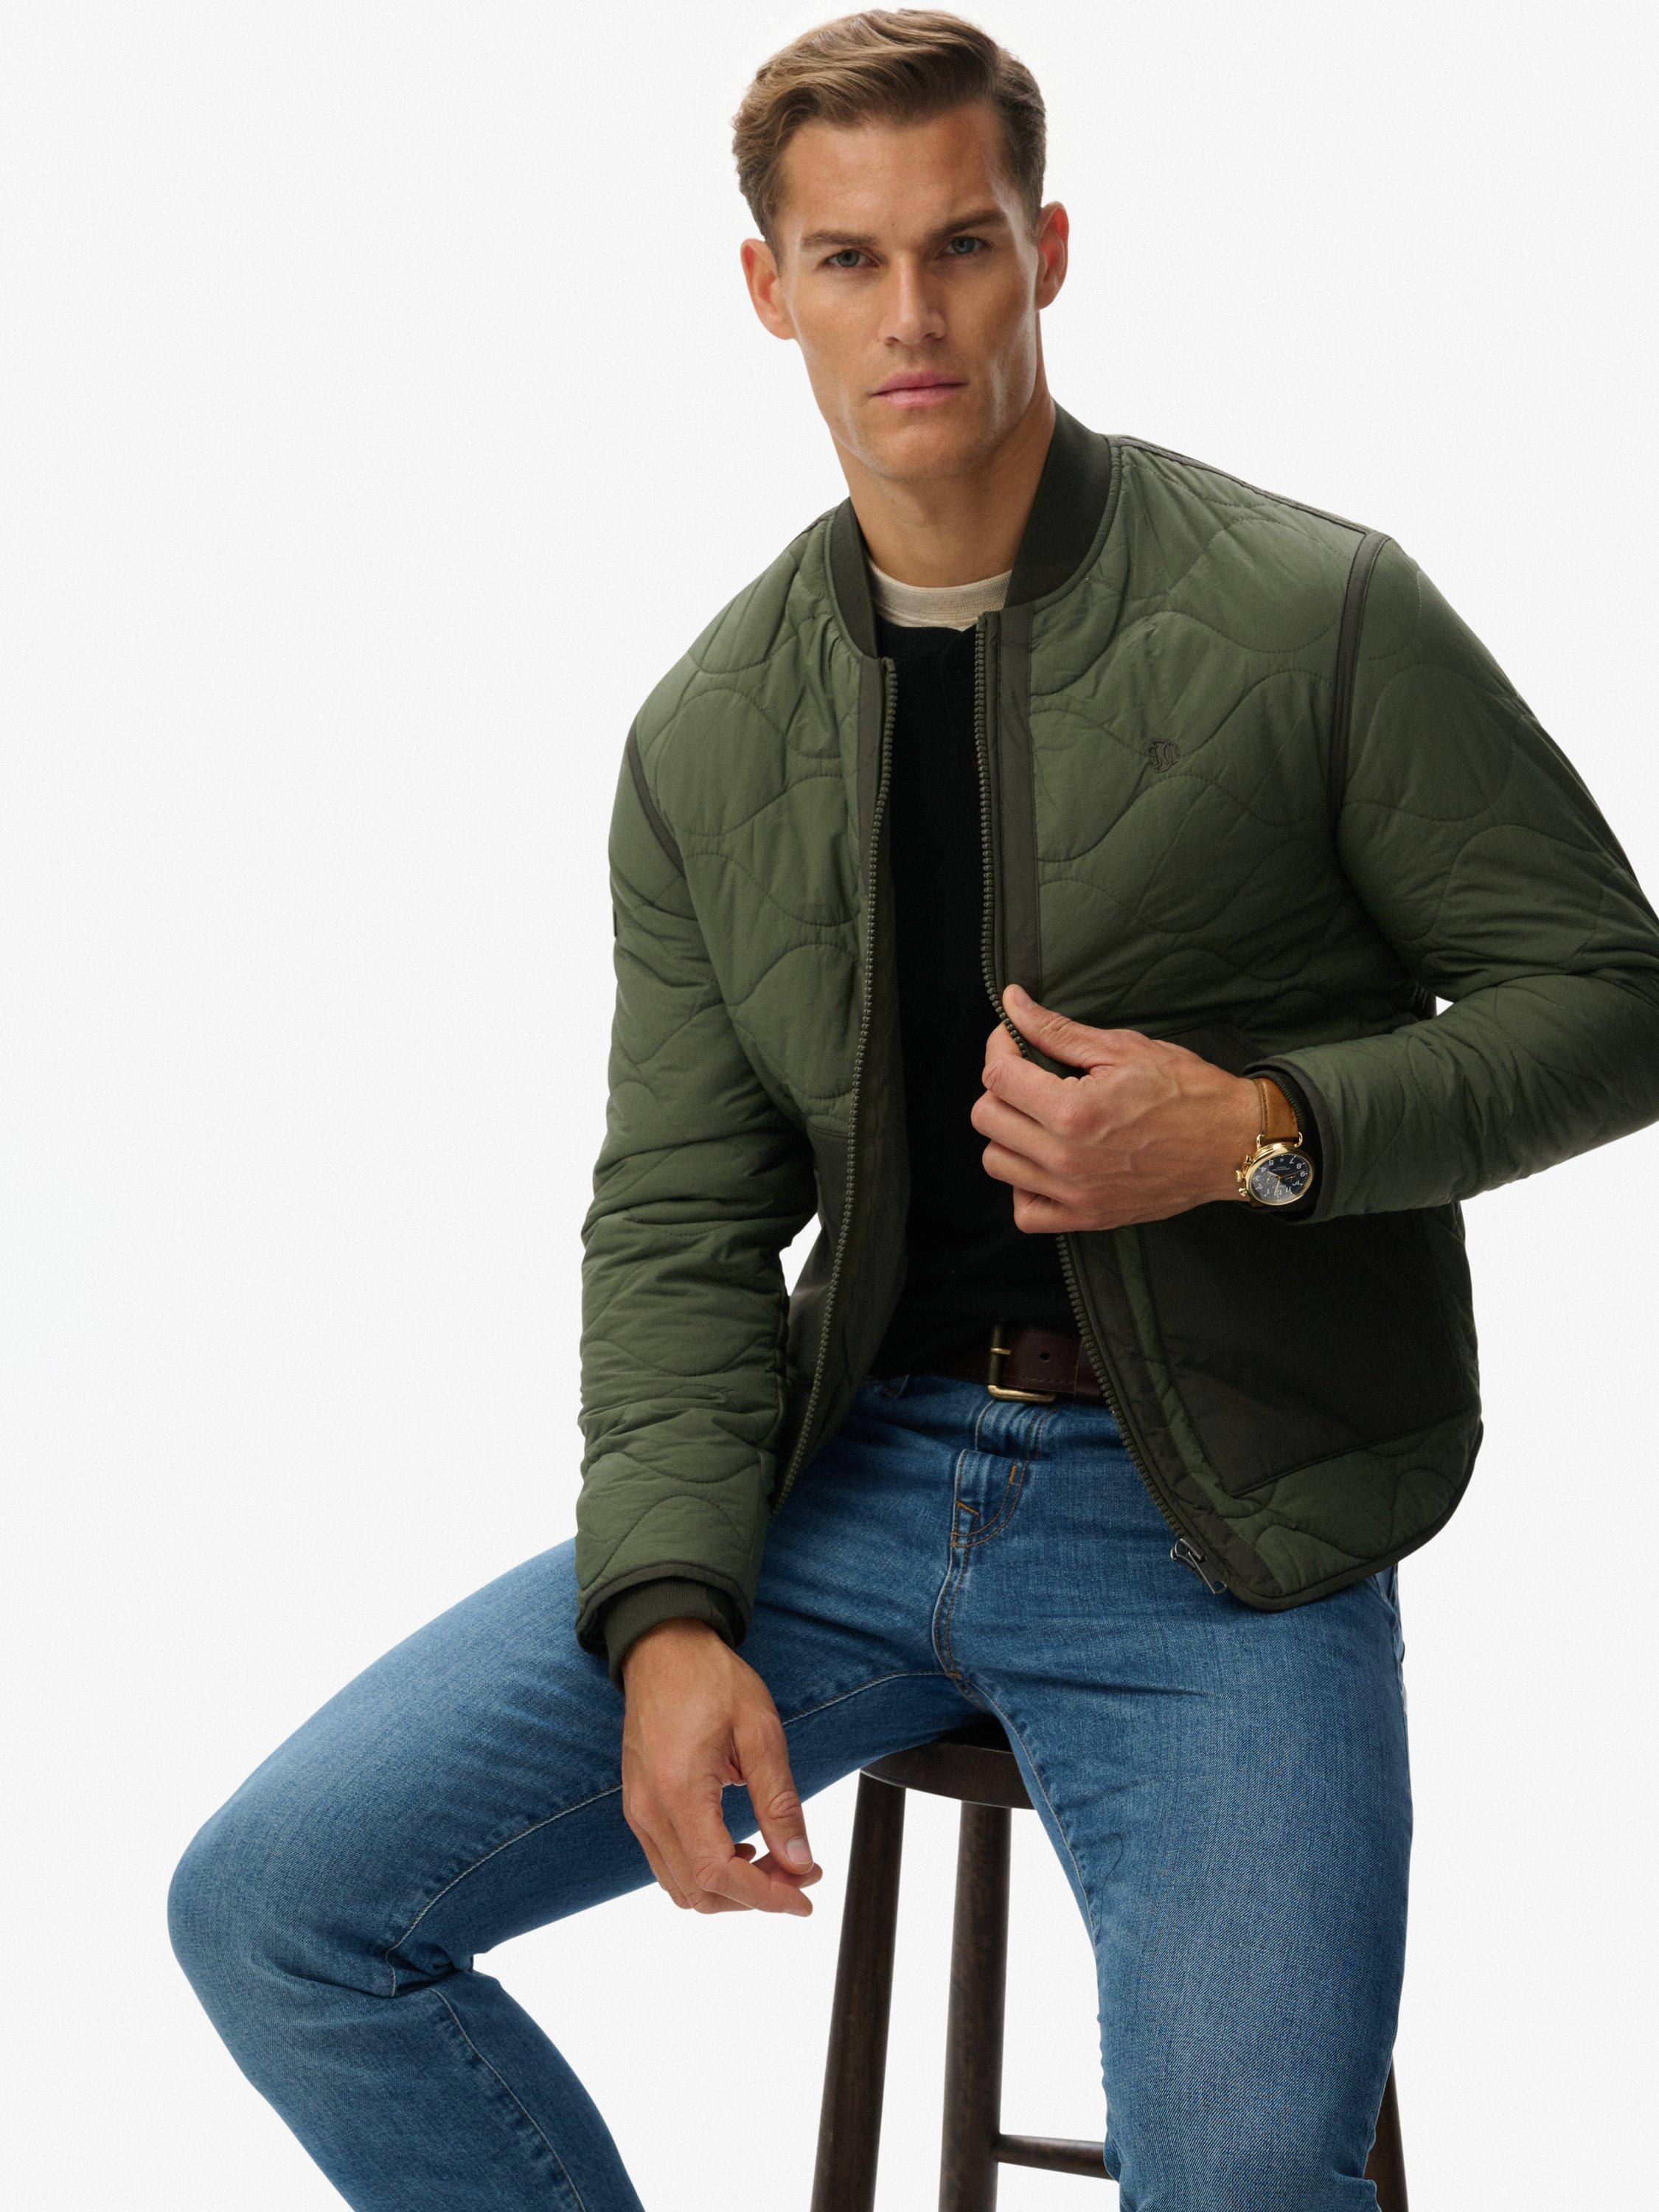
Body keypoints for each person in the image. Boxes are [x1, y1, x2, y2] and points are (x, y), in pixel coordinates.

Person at [167, 13, 1659, 2207]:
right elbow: (680, 1217)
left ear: (1045, 250)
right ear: (766, 289)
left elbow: (1612, 1000)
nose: (912, 315)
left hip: (1215, 1524)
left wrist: (1258, 1127)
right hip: (841, 1489)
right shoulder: (712, 731)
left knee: (1249, 2185)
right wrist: (671, 1610)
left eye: (959, 245)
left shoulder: (1314, 613)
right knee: (280, 1911)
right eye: (848, 260)